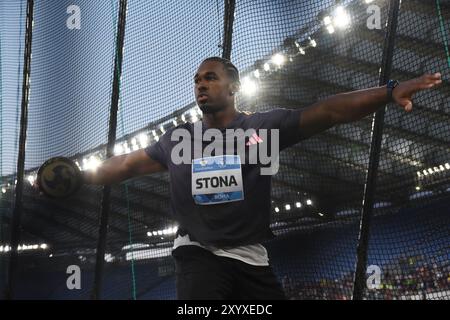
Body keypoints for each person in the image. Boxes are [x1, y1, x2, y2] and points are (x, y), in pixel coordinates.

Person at [79, 57, 441, 299]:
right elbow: (124, 165)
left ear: (233, 87)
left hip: (251, 257)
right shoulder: (178, 139)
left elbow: (328, 111)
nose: (200, 85)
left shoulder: (262, 128)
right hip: (199, 254)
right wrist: (77, 176)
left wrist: (389, 91)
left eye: (210, 77)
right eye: (196, 80)